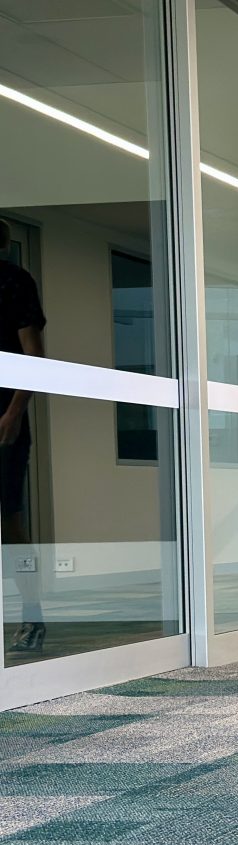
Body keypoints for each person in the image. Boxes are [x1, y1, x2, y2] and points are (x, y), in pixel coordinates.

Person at [0, 218, 47, 653]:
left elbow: (34, 354)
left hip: (3, 420)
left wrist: (14, 412)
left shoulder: (14, 282)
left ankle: (31, 615)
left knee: (10, 520)